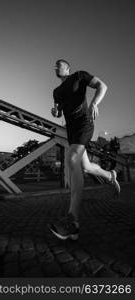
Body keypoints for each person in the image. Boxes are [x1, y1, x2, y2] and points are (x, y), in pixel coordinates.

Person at [49, 59, 120, 241]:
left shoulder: (79, 76)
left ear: (67, 67)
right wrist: (55, 112)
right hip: (71, 130)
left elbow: (102, 86)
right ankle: (110, 175)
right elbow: (58, 111)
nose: (56, 67)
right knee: (86, 167)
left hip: (84, 123)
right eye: (54, 66)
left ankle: (73, 221)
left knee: (72, 158)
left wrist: (95, 103)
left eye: (59, 64)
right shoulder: (56, 92)